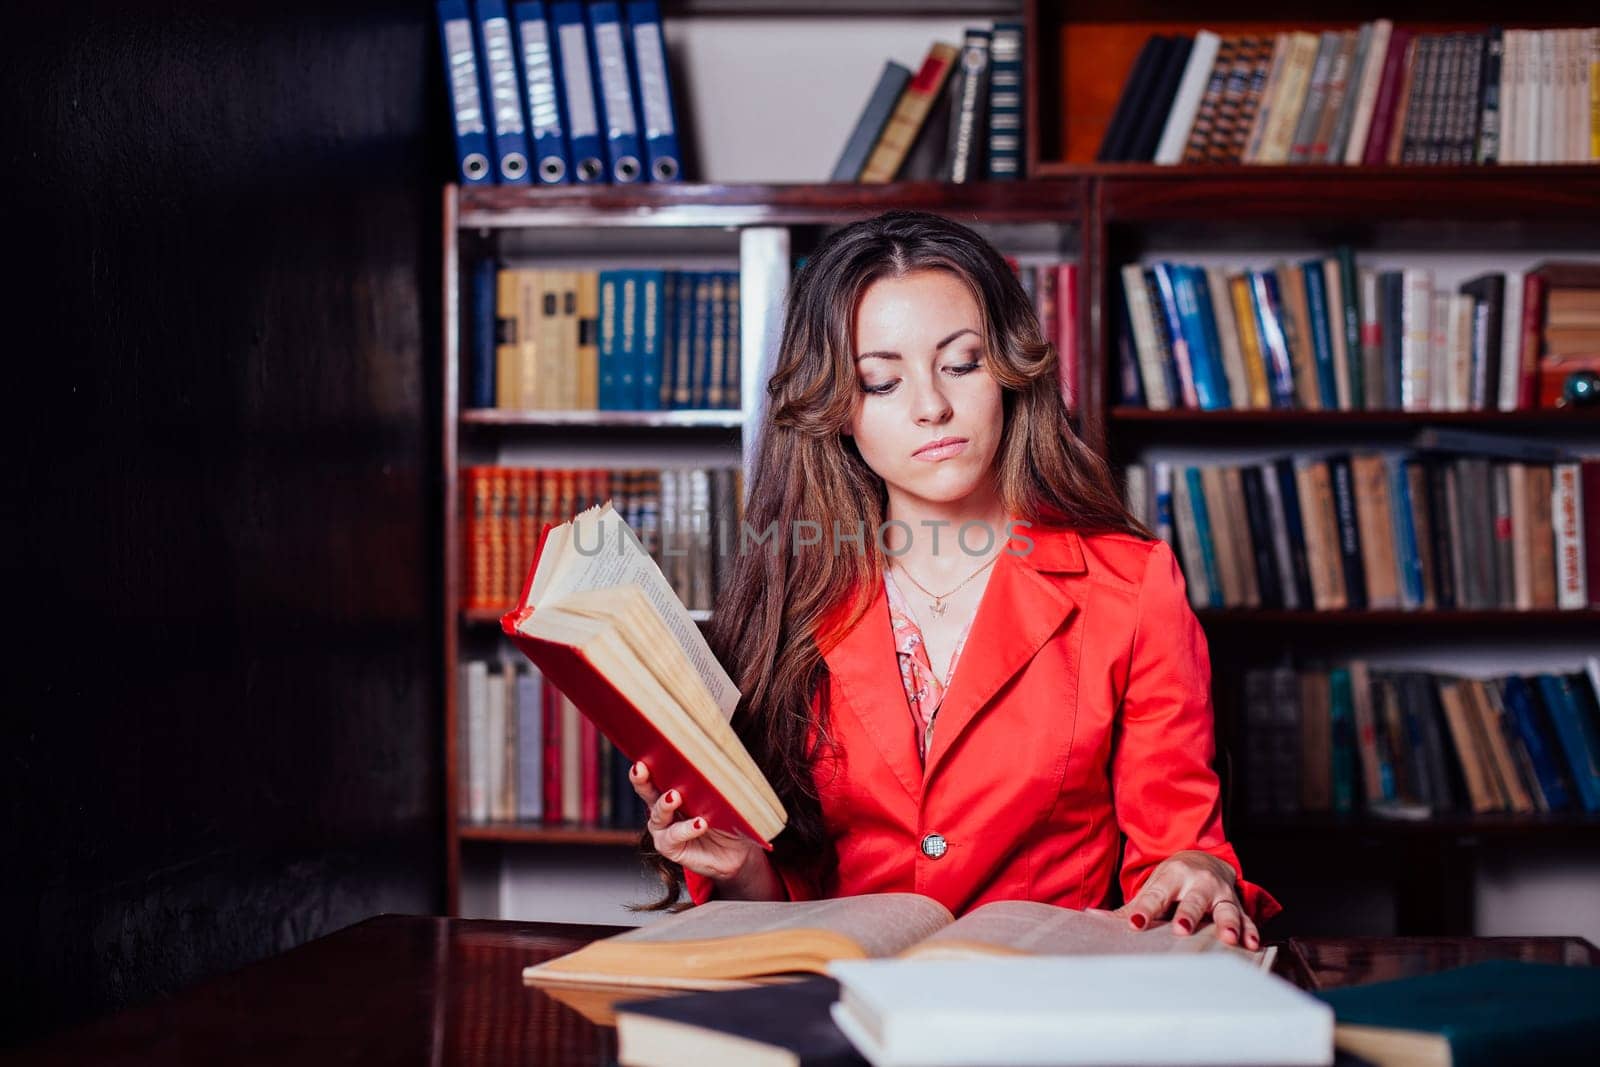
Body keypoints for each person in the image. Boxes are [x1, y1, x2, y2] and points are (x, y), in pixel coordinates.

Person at [629, 210, 1280, 948]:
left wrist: (1198, 871)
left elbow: (1177, 847)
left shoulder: (1133, 585)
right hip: (842, 1006)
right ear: (836, 409)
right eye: (880, 381)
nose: (931, 406)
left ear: (1007, 369)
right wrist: (740, 867)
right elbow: (787, 903)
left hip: (1042, 1009)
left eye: (961, 363)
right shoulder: (791, 590)